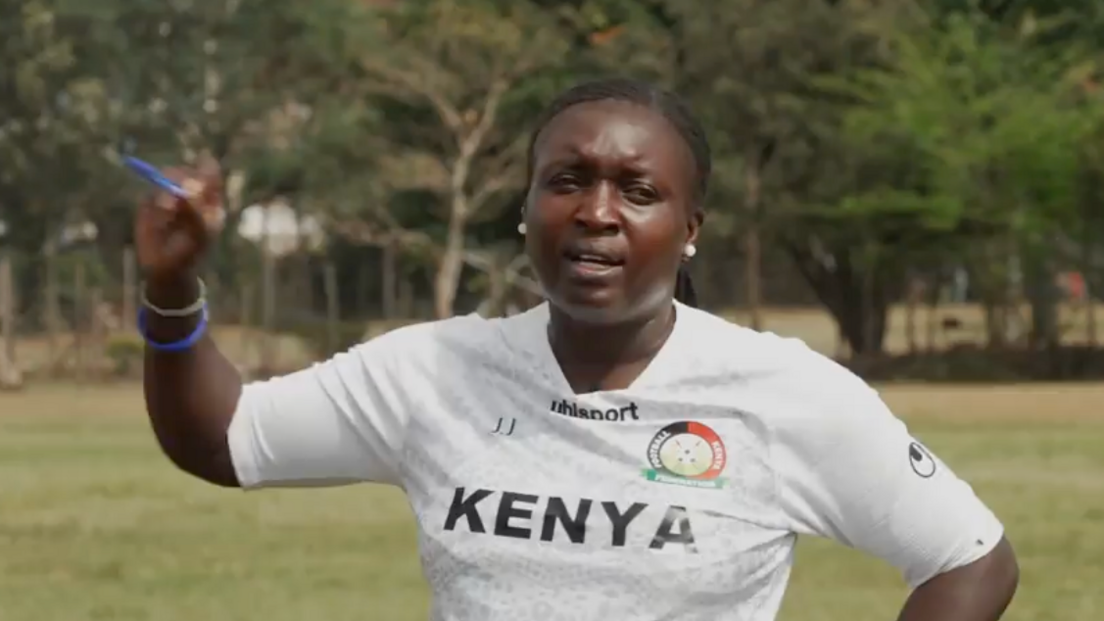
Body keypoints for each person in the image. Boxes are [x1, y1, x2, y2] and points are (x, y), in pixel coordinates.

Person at [136, 78, 1018, 621]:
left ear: (690, 228)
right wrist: (172, 291)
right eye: (567, 181)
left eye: (638, 190)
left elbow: (971, 560)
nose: (597, 211)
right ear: (526, 209)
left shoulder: (782, 390)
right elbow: (223, 438)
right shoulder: (435, 370)